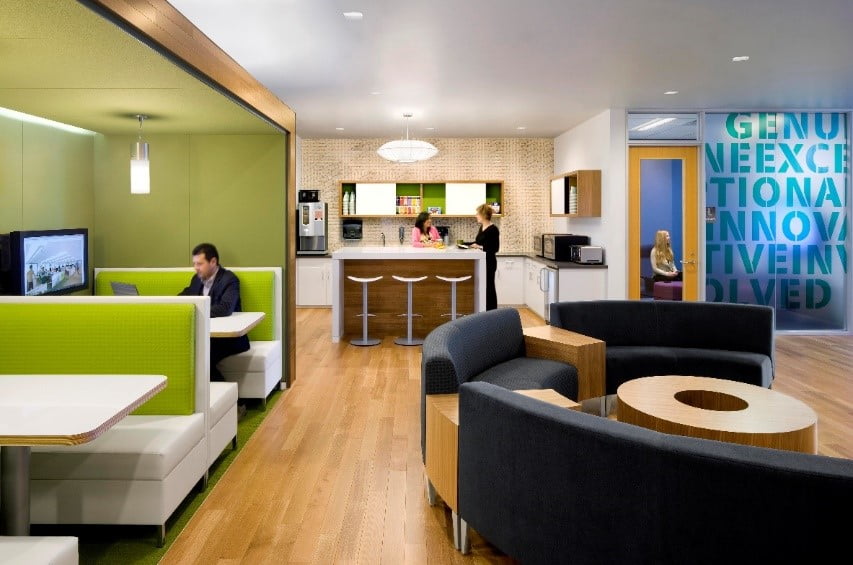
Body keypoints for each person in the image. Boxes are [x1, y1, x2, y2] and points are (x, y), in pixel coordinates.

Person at [179, 243, 249, 381]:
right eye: (194, 264)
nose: (196, 268)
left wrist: (196, 312)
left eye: (200, 264)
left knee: (200, 355)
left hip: (228, 340)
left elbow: (225, 308)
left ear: (213, 262)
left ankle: (225, 391)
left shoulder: (229, 280)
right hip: (205, 336)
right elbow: (186, 295)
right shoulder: (197, 279)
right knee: (190, 352)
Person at [470, 203, 500, 310]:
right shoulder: (482, 227)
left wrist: (480, 247)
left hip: (489, 262)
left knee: (489, 286)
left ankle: (491, 311)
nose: (476, 215)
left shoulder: (493, 229)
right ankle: (483, 309)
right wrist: (470, 245)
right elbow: (479, 242)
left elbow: (495, 248)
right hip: (482, 261)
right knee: (483, 286)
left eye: (477, 213)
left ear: (483, 215)